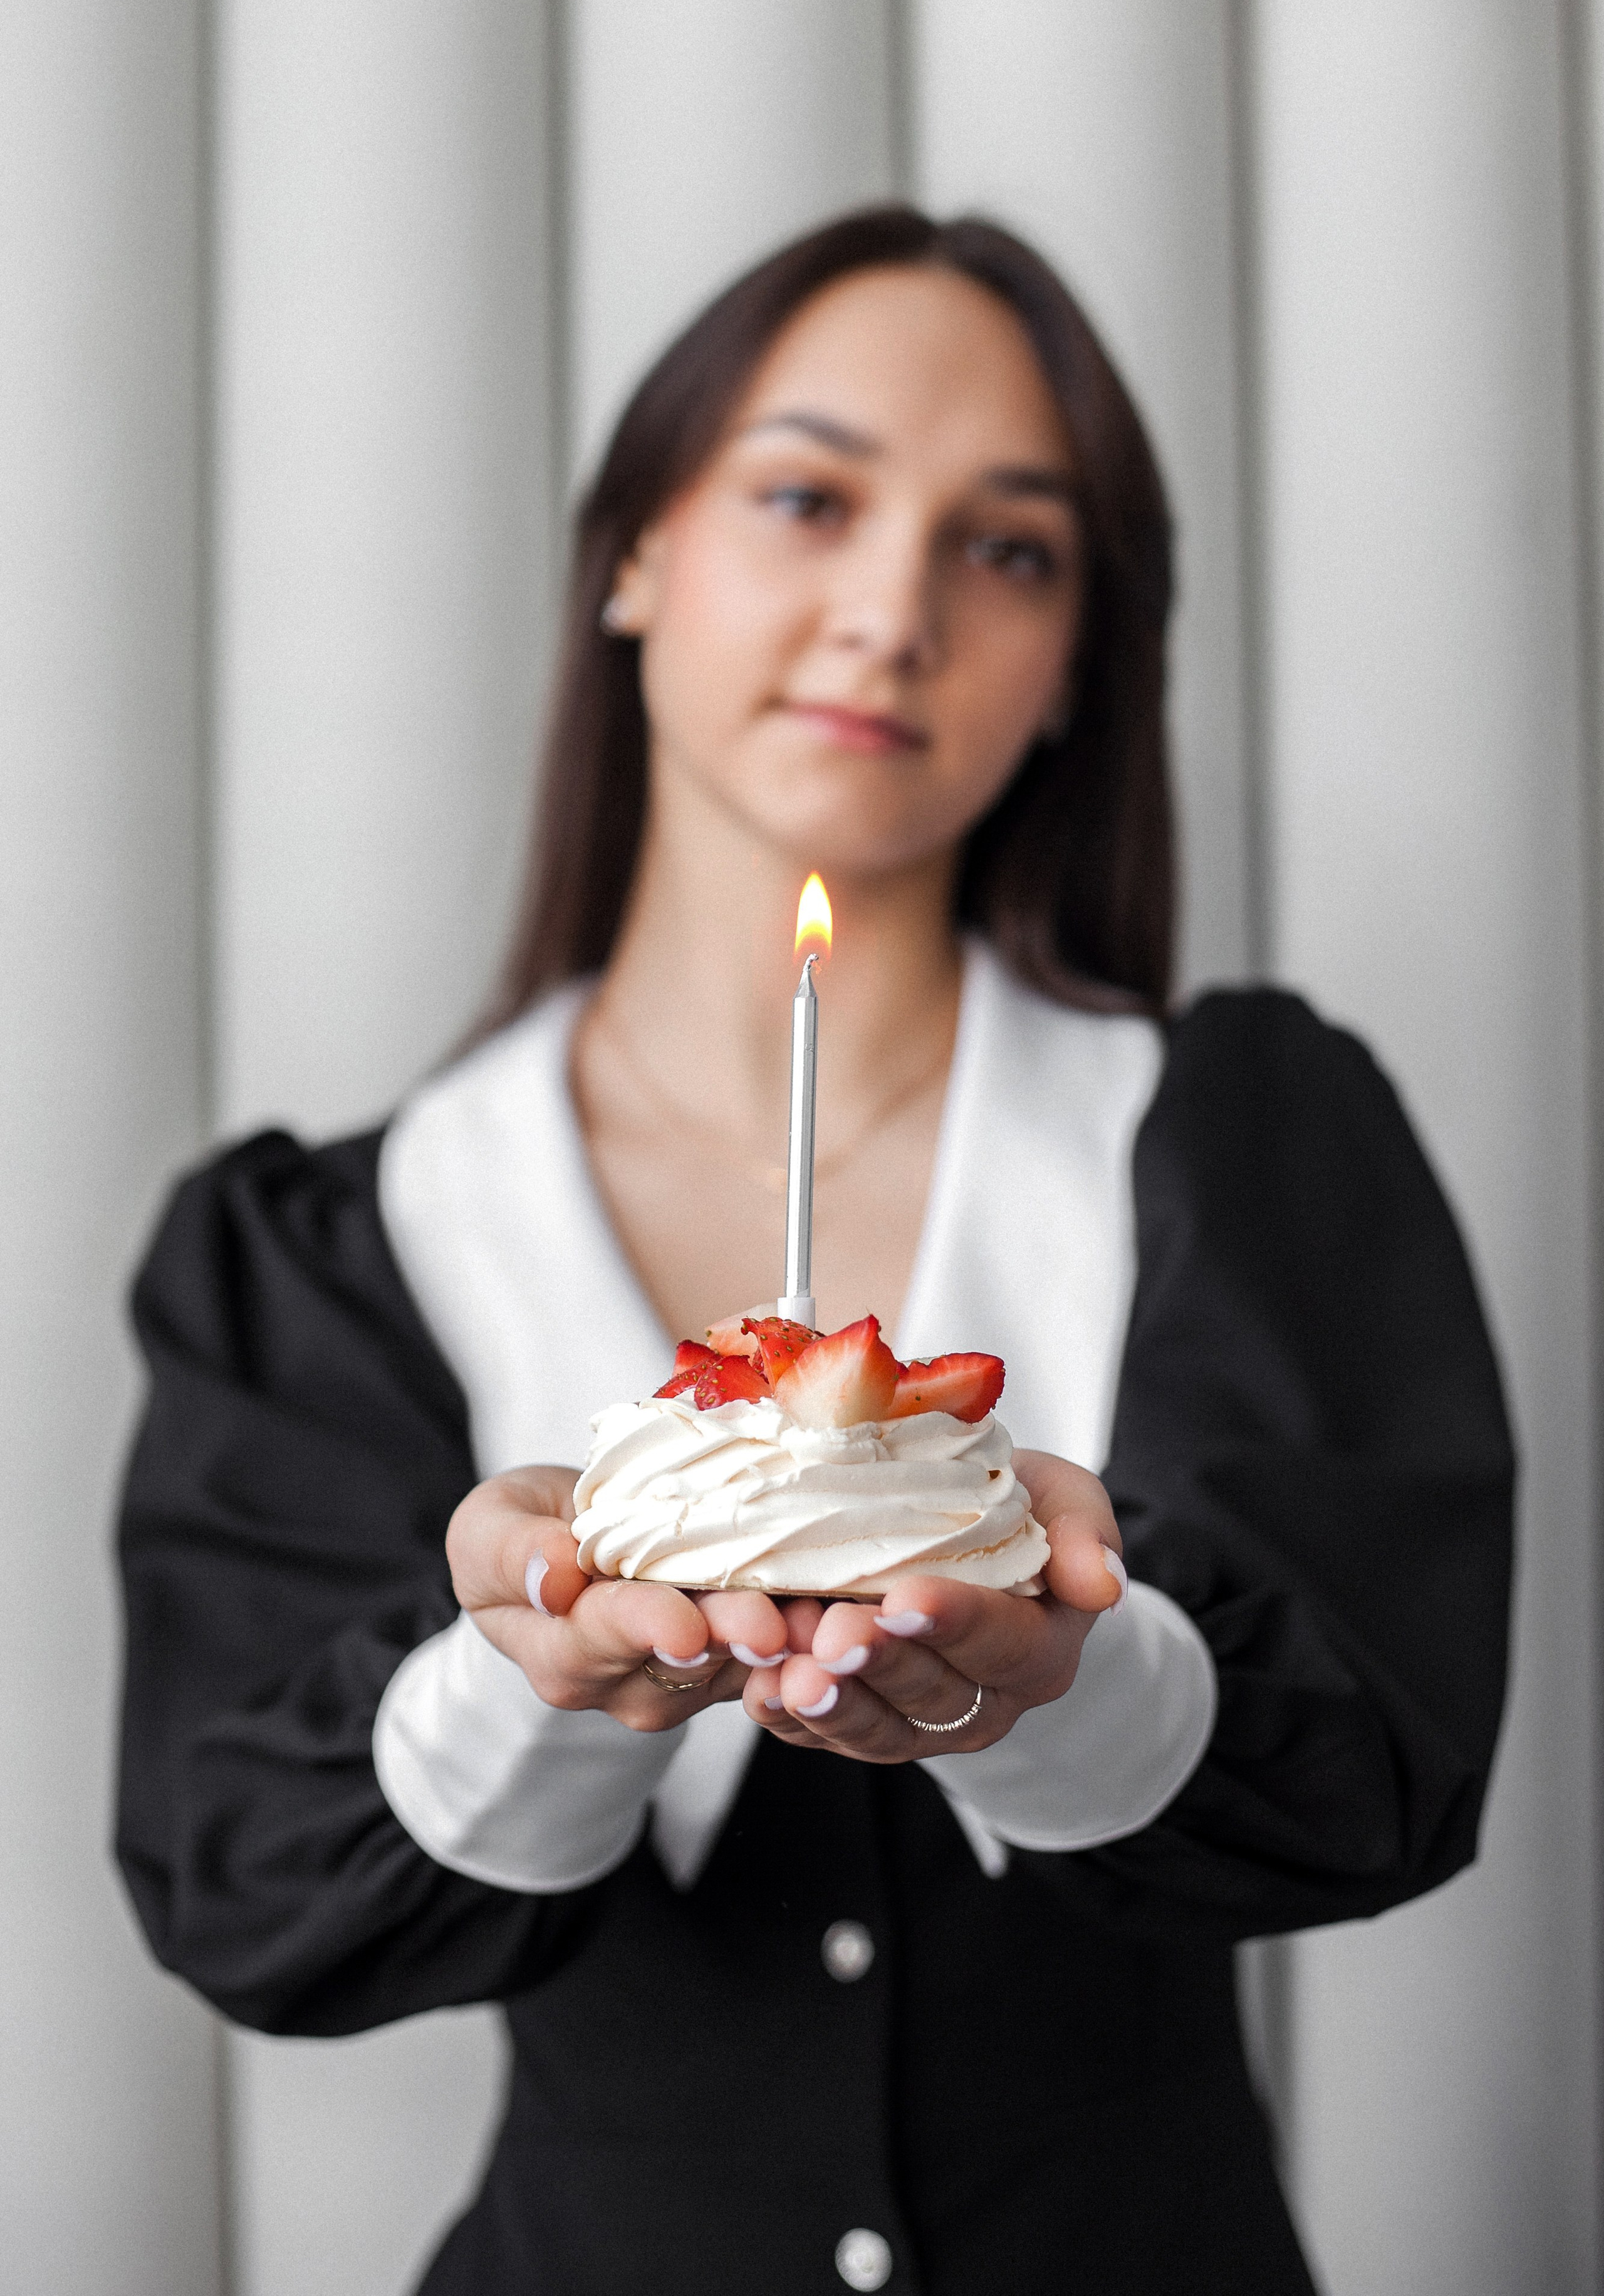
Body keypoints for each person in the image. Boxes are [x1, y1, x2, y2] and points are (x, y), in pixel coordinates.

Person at [117, 207, 1513, 2296]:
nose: (893, 608)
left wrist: (1065, 1668)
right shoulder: (335, 1245)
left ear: (1075, 671)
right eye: (807, 497)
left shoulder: (1241, 1142)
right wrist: (538, 1676)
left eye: (1010, 548)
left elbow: (1380, 1760)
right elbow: (248, 1893)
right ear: (635, 553)